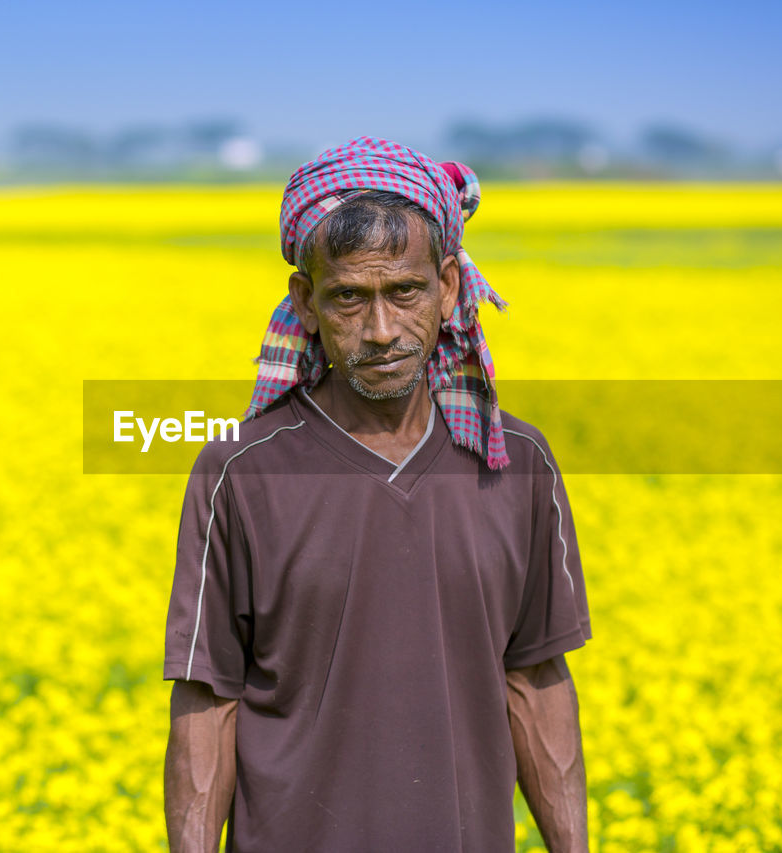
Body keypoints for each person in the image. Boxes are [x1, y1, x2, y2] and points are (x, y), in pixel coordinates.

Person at [163, 137, 593, 852]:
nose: (382, 330)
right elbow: (208, 703)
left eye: (406, 291)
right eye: (349, 298)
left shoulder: (518, 464)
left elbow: (536, 679)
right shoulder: (240, 475)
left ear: (450, 286)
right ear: (305, 301)